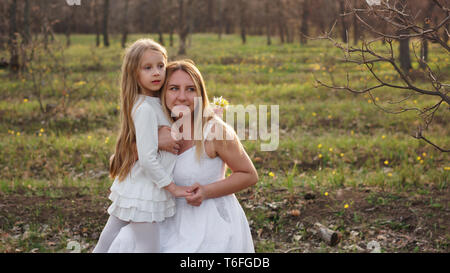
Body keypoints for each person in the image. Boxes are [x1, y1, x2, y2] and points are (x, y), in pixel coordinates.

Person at [92, 39, 193, 253]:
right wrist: (172, 187)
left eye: (160, 66)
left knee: (107, 240)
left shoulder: (155, 102)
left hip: (136, 185)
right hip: (147, 191)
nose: (156, 72)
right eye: (147, 68)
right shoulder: (146, 108)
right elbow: (147, 158)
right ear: (134, 73)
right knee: (149, 248)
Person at [157, 60, 258, 252]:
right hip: (168, 220)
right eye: (173, 88)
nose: (182, 97)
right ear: (162, 92)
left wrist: (206, 191)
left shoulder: (215, 130)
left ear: (200, 95)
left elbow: (249, 174)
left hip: (211, 223)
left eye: (190, 89)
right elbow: (120, 164)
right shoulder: (157, 128)